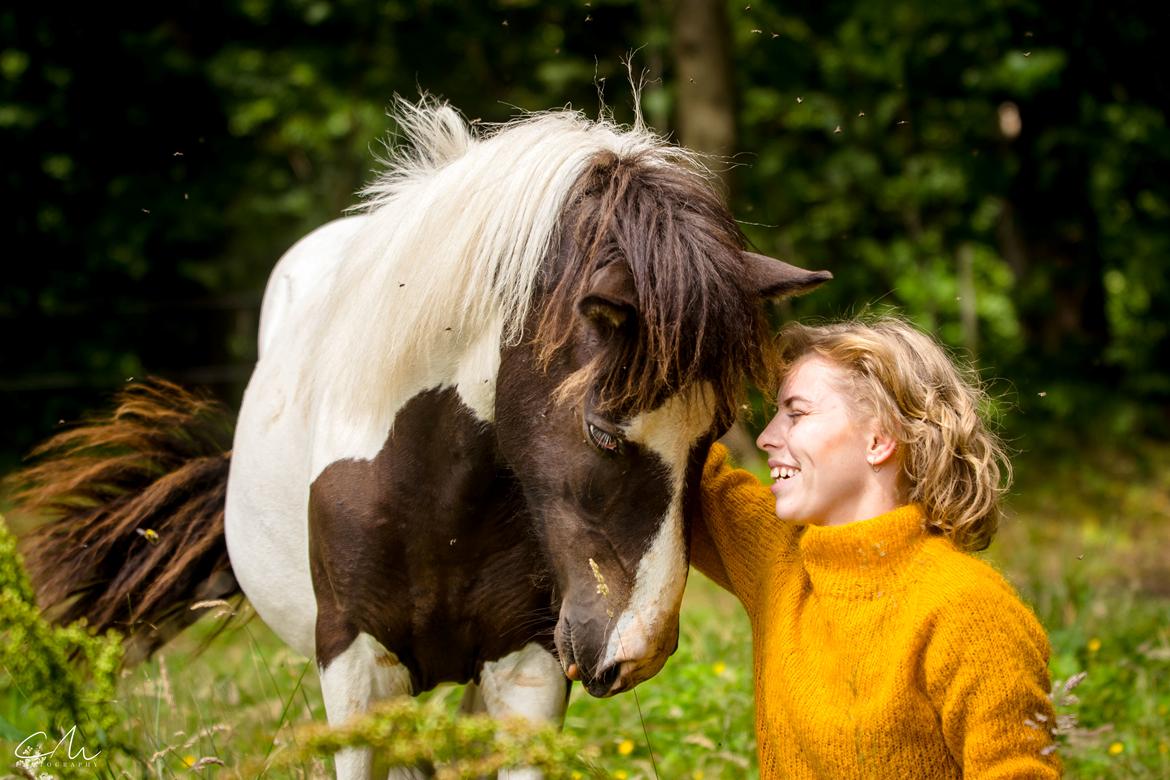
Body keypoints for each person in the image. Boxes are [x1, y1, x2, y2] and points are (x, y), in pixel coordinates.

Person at [692, 317, 1062, 778]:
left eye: (797, 413)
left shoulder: (969, 610)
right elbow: (674, 461)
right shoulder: (780, 556)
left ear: (880, 439)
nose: (767, 437)